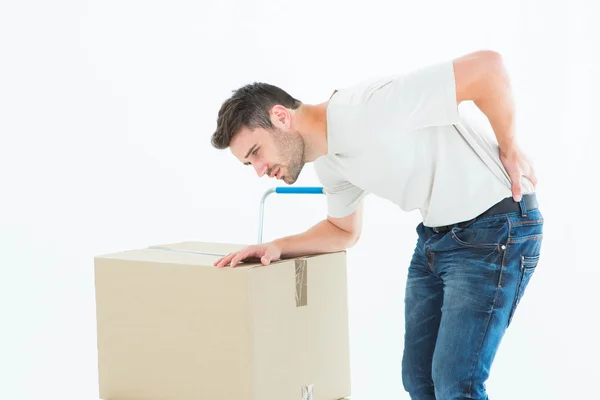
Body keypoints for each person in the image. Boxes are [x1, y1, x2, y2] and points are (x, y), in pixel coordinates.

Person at [210, 50, 543, 400]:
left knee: (456, 384)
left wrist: (509, 147)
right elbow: (343, 231)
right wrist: (278, 246)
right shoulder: (329, 162)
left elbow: (488, 68)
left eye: (256, 153)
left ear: (280, 117)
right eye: (250, 165)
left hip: (496, 228)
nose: (260, 170)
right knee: (418, 379)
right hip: (437, 239)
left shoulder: (368, 107)